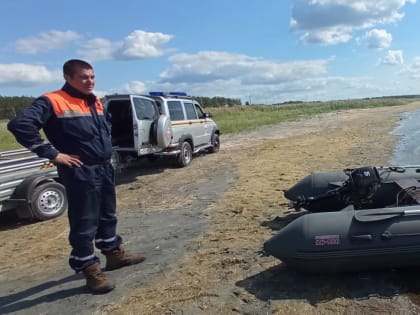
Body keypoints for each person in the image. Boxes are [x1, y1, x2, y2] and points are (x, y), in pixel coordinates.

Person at [7, 59, 145, 294]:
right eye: (83, 77)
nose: (90, 81)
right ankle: (89, 269)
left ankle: (113, 254)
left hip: (103, 167)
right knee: (85, 220)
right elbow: (19, 125)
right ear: (68, 78)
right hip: (81, 170)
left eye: (92, 76)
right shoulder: (53, 101)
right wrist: (53, 154)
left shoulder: (95, 102)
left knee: (107, 213)